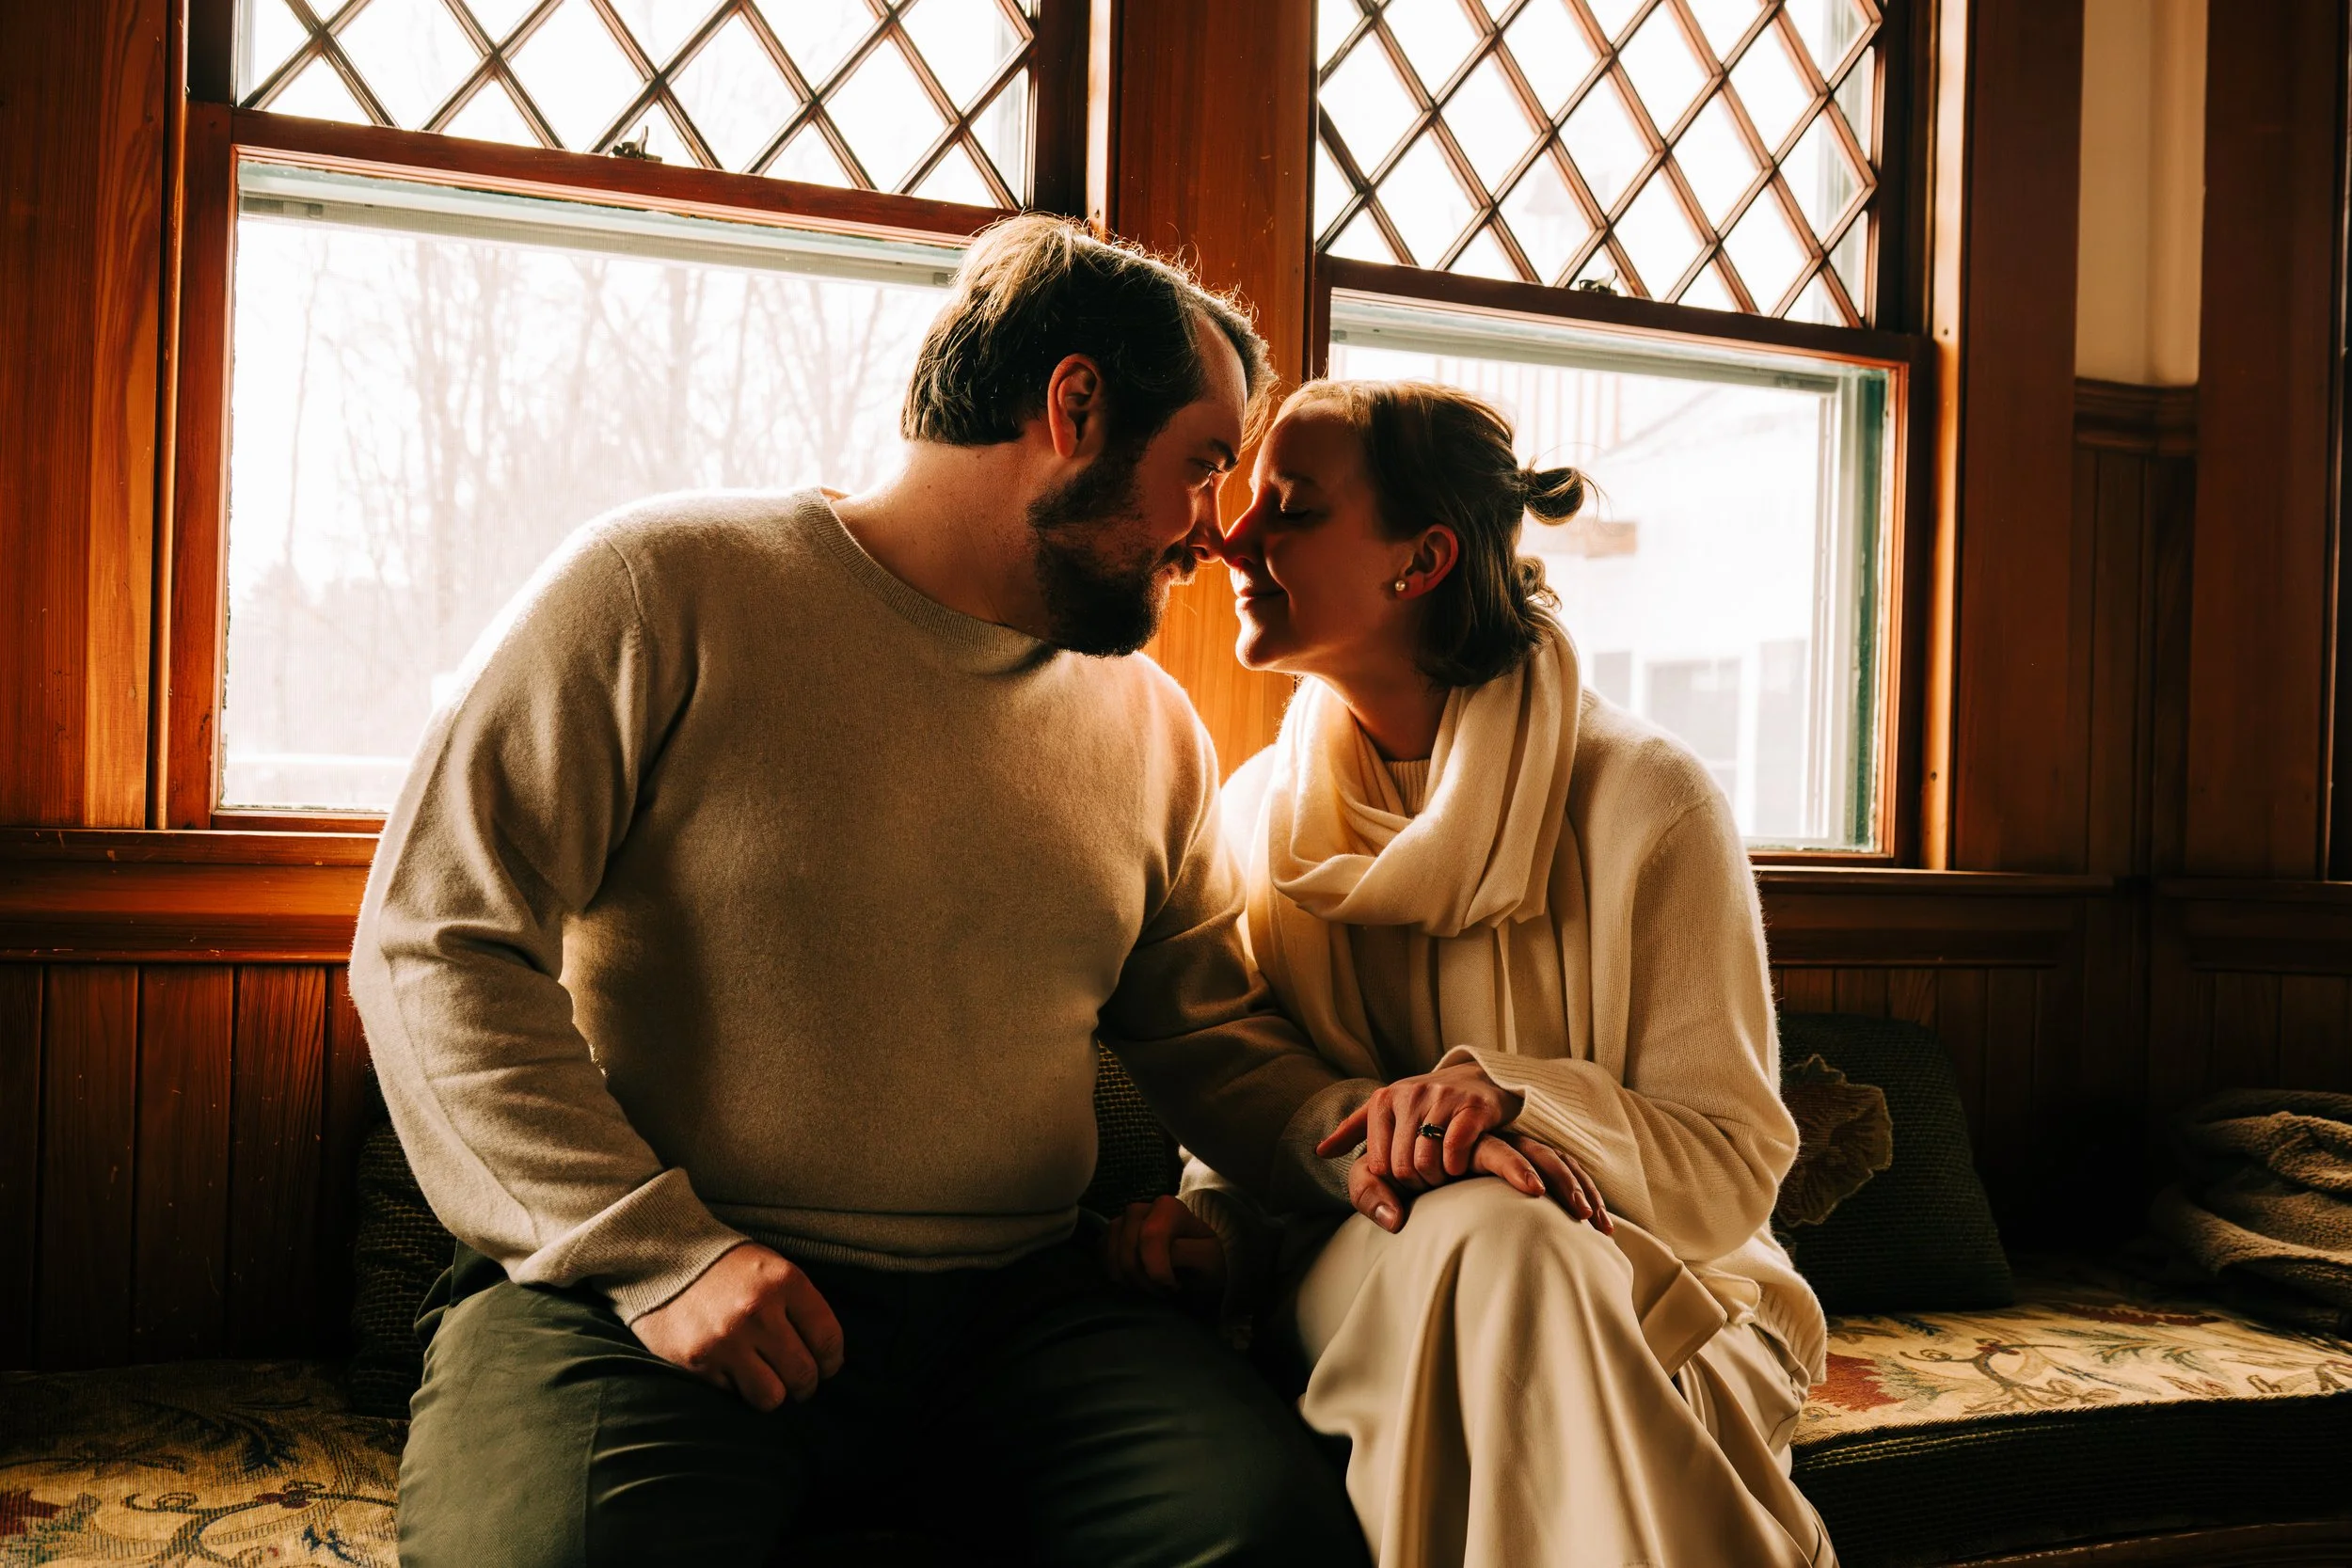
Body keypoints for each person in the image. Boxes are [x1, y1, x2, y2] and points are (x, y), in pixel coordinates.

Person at [348, 216, 1383, 1567]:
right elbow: (437, 940)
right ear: (1074, 407)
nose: (1211, 533)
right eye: (1200, 466)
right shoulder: (662, 588)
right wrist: (657, 1253)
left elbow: (1199, 1032)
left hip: (1027, 1316)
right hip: (644, 1300)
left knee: (1275, 1539)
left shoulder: (1153, 724)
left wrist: (1355, 1127)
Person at [1104, 380, 1838, 1567]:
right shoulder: (1249, 819)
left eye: (1287, 508)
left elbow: (1731, 1168)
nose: (1231, 537)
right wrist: (1215, 1240)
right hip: (1365, 1276)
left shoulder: (1645, 801)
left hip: (1656, 1281)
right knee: (1501, 1233)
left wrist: (1509, 1098)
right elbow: (1246, 1134)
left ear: (1421, 559)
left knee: (1514, 1239)